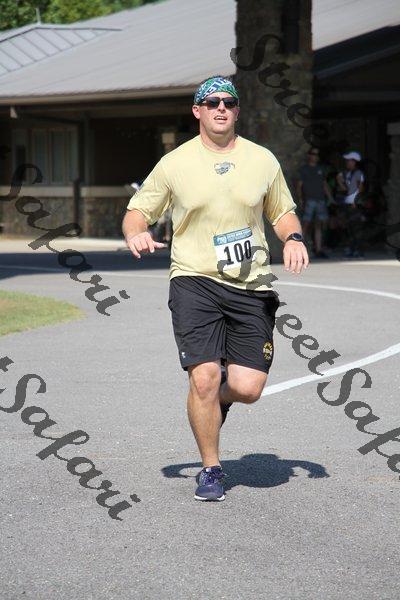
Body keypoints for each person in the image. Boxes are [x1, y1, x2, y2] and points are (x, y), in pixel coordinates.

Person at [122, 75, 309, 502]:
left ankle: (216, 398)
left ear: (237, 110)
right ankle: (211, 469)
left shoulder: (262, 160)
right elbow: (137, 211)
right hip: (194, 279)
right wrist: (136, 232)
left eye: (228, 101)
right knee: (204, 378)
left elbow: (282, 213)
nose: (220, 108)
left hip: (250, 284)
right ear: (198, 111)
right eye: (211, 102)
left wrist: (294, 238)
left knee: (247, 389)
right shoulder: (175, 163)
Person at [296, 147, 333, 258]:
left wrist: (330, 197)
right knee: (306, 224)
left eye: (317, 154)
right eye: (313, 154)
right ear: (309, 155)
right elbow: (299, 185)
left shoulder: (320, 169)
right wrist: (301, 199)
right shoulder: (304, 169)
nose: (315, 156)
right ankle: (298, 248)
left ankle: (318, 249)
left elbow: (324, 184)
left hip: (320, 200)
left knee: (319, 225)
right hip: (309, 200)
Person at [336, 151, 365, 258]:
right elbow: (345, 189)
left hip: (354, 204)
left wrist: (355, 201)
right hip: (347, 204)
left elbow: (360, 188)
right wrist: (339, 181)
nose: (347, 162)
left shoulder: (358, 173)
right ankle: (351, 249)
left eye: (349, 160)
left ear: (354, 161)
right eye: (347, 160)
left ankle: (358, 250)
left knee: (356, 227)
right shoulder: (346, 173)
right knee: (349, 227)